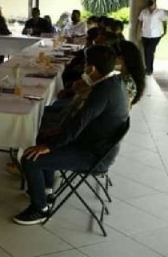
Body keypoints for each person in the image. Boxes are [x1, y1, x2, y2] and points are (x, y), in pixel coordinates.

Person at [14, 46, 128, 226]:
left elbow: (79, 124)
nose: (83, 68)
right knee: (41, 138)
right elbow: (80, 123)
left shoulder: (103, 91)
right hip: (95, 143)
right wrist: (53, 137)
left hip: (93, 154)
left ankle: (40, 208)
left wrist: (50, 146)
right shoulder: (115, 82)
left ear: (91, 69)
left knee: (30, 158)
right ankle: (47, 190)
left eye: (85, 64)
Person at [138, 0, 166, 75]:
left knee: (149, 51)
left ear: (155, 1)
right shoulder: (144, 11)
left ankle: (149, 70)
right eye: (149, 0)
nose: (150, 2)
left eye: (151, 0)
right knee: (146, 52)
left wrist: (165, 30)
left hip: (155, 35)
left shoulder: (159, 12)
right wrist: (140, 31)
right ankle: (148, 68)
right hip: (145, 35)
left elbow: (164, 21)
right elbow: (140, 21)